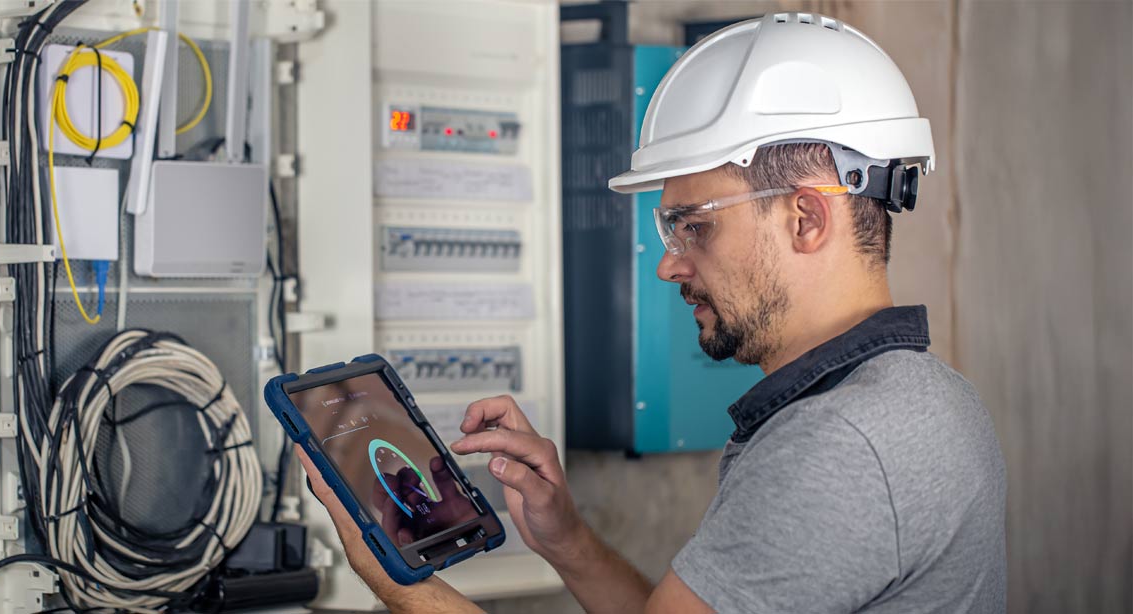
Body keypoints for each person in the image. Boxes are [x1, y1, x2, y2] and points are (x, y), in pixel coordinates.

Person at [300, 13, 1006, 613]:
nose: (668, 262)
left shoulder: (840, 447)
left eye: (693, 225)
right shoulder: (924, 396)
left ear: (806, 218)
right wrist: (565, 538)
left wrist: (396, 581)